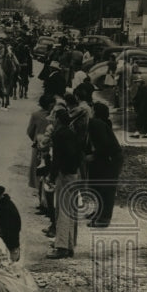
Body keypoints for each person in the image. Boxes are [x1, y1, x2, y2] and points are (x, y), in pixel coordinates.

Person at [46, 107, 84, 259]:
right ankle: (68, 244)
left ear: (58, 120)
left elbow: (57, 159)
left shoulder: (59, 134)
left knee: (62, 210)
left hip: (65, 174)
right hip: (74, 174)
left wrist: (52, 176)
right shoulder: (72, 132)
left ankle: (61, 246)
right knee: (70, 210)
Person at [86, 102, 122, 227]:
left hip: (111, 158)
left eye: (92, 109)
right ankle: (99, 213)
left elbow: (105, 145)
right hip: (106, 157)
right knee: (99, 186)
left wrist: (94, 156)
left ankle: (104, 219)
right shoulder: (98, 123)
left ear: (95, 111)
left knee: (107, 188)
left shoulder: (97, 124)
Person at [27, 94, 56, 214]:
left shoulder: (36, 115)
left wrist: (36, 139)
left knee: (38, 175)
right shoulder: (54, 116)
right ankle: (48, 204)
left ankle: (42, 203)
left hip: (38, 147)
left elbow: (29, 131)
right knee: (48, 175)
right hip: (51, 148)